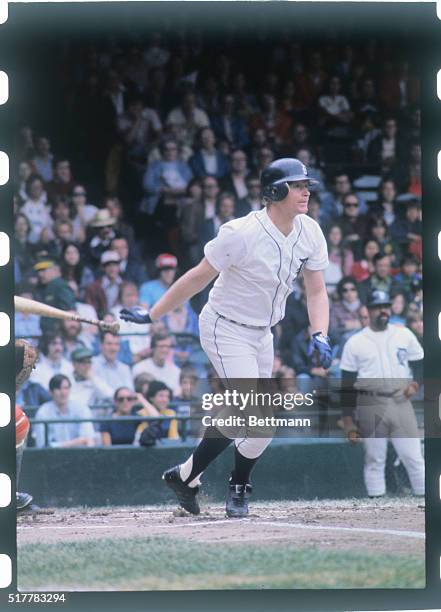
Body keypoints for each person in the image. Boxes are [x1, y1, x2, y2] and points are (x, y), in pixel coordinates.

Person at [120, 157, 331, 518]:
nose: (305, 191)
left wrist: (320, 332)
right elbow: (198, 276)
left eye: (305, 185)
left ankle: (188, 476)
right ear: (275, 191)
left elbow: (316, 290)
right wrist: (152, 314)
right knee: (259, 417)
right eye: (297, 185)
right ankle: (234, 488)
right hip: (225, 326)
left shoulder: (309, 230)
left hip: (263, 334)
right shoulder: (241, 232)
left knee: (252, 421)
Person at [340, 290, 424, 498]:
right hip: (370, 402)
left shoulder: (403, 334)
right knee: (374, 459)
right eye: (378, 307)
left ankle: (425, 501)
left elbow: (420, 363)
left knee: (413, 456)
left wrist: (415, 384)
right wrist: (348, 420)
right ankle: (376, 506)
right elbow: (347, 383)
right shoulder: (355, 342)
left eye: (385, 306)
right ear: (368, 310)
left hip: (400, 400)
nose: (383, 310)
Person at [33, 374, 96, 448]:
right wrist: (78, 441)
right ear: (50, 392)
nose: (63, 393)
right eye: (58, 388)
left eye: (66, 388)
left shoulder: (81, 408)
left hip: (80, 455)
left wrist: (57, 445)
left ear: (70, 390)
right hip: (52, 457)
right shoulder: (43, 412)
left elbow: (89, 440)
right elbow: (42, 445)